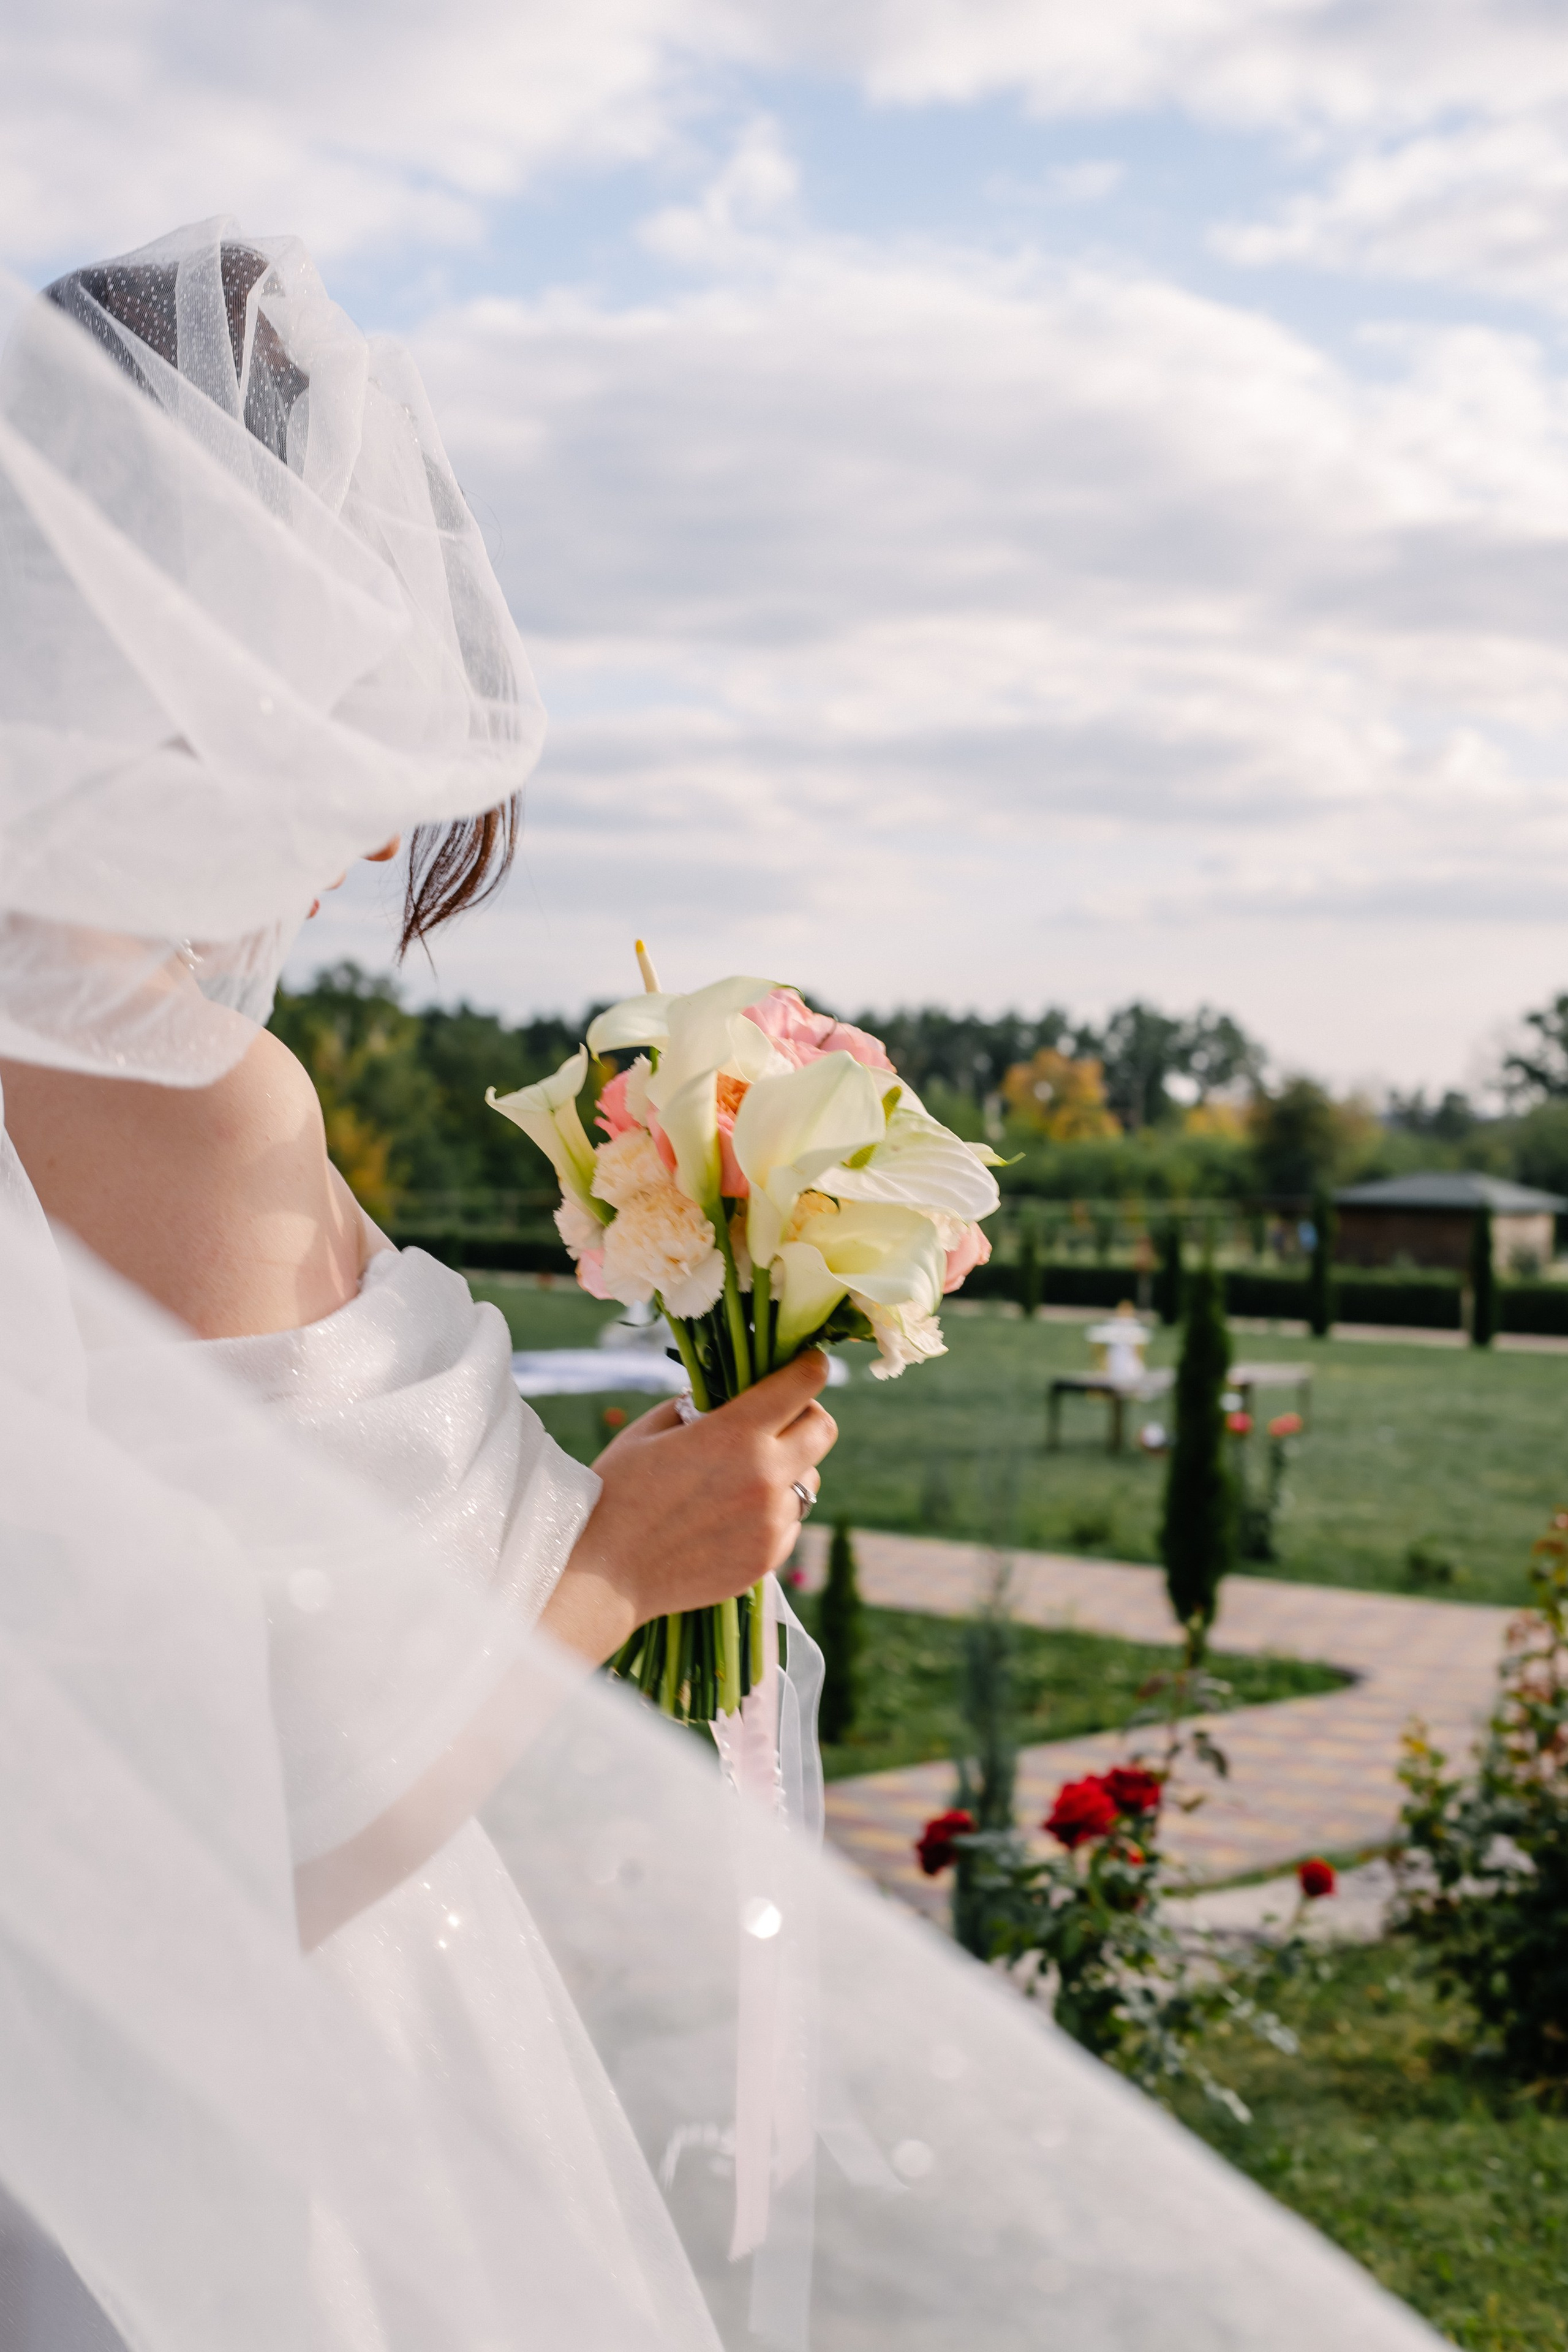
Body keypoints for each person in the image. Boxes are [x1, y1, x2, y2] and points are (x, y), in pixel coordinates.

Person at [0, 222, 1446, 2351]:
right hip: (257, 2146)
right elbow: (206, 1866)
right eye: (354, 694)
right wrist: (617, 1563)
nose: (371, 829)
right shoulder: (189, 1102)